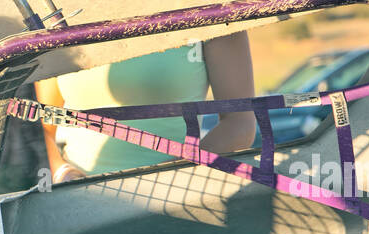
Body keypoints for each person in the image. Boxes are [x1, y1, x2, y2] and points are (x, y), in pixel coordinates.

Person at [36, 33, 256, 181]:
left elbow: (240, 125)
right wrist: (62, 172)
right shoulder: (56, 10)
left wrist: (166, 179)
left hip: (176, 201)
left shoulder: (212, 4)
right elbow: (44, 123)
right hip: (75, 208)